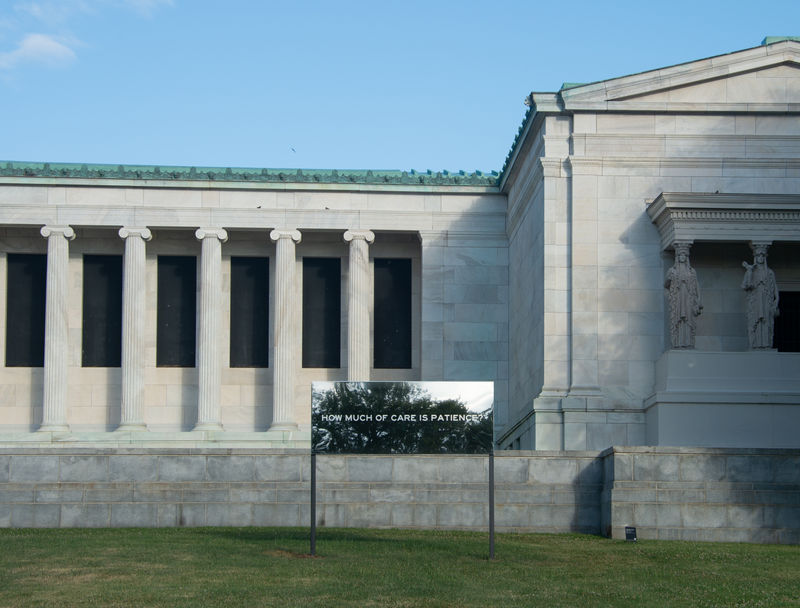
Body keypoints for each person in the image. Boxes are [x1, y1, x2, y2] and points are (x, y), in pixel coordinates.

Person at [664, 243, 702, 349]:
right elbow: (665, 284)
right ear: (677, 257)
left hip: (689, 298)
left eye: (684, 255)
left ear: (687, 257)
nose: (682, 257)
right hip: (677, 299)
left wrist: (699, 299)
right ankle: (677, 343)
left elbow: (697, 286)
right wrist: (669, 279)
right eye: (680, 255)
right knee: (678, 318)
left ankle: (688, 342)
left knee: (688, 319)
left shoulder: (692, 271)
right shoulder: (672, 271)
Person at [741, 244, 779, 349]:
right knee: (755, 321)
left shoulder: (770, 273)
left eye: (762, 256)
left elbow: (775, 288)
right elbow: (745, 286)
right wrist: (749, 272)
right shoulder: (751, 271)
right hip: (755, 300)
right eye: (758, 255)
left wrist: (776, 300)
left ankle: (766, 344)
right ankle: (755, 345)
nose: (761, 258)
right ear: (755, 257)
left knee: (766, 321)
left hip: (766, 300)